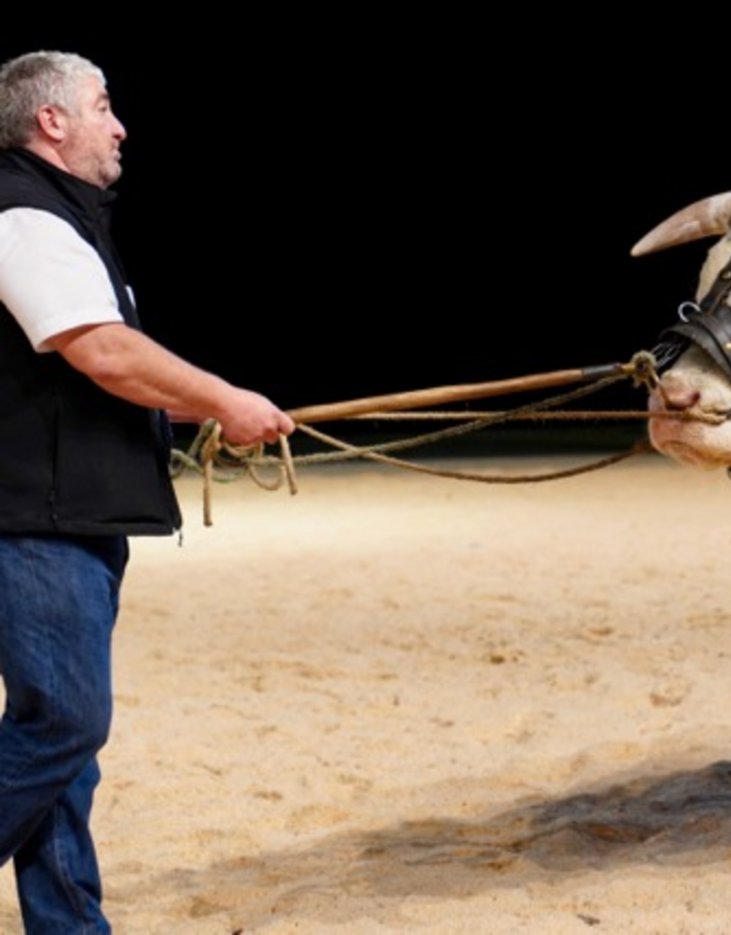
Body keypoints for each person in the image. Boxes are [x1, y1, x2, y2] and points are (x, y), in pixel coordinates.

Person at [0, 50, 293, 932]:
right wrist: (226, 398)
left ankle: (69, 925)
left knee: (64, 750)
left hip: (69, 513)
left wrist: (184, 414)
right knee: (65, 723)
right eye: (103, 105)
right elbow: (105, 351)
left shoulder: (61, 219)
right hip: (34, 519)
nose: (119, 124)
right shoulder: (22, 213)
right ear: (51, 121)